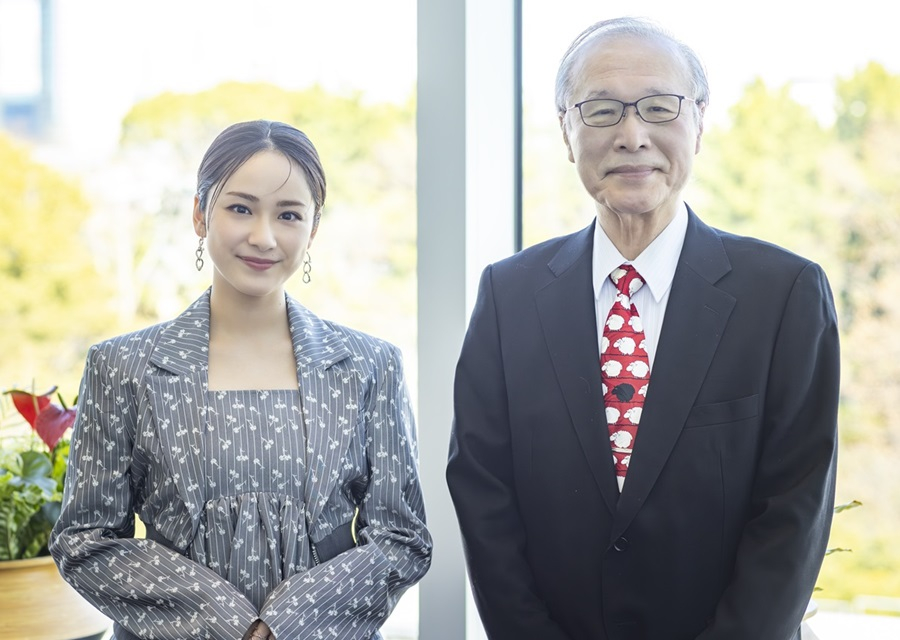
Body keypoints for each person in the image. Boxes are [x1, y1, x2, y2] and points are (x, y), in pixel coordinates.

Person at [447, 17, 839, 640]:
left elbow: (794, 508)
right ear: (567, 133)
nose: (633, 136)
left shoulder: (784, 294)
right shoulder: (508, 295)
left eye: (659, 107)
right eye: (601, 110)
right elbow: (484, 493)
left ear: (700, 122)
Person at [50, 120, 431, 640]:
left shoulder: (369, 366)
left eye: (289, 214)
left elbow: (402, 537)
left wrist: (287, 622)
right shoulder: (123, 366)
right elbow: (84, 538)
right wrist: (231, 624)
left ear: (313, 229)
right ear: (199, 214)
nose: (263, 236)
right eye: (240, 208)